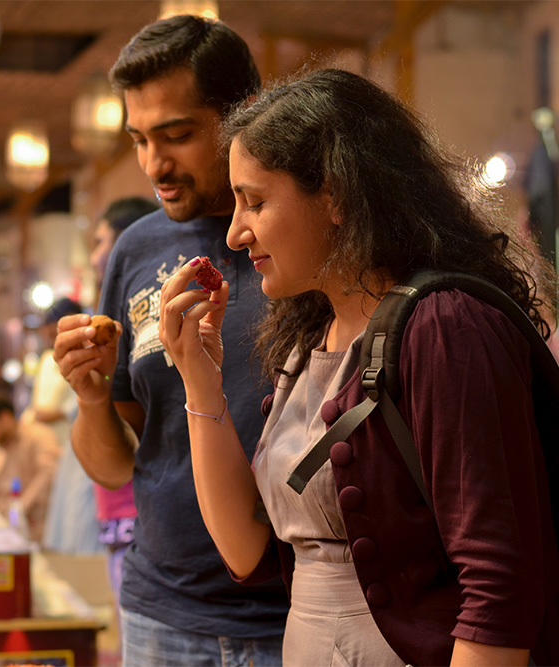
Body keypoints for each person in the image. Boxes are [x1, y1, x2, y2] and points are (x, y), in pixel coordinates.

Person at [157, 68, 559, 666]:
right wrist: (197, 375)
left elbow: (501, 582)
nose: (237, 234)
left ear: (338, 195)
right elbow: (247, 551)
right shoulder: (308, 338)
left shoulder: (445, 326)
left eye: (256, 201)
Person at [52, 14, 289, 666]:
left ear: (244, 115)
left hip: (293, 612)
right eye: (138, 139)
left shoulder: (298, 239)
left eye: (178, 135)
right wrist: (92, 395)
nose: (155, 163)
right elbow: (115, 463)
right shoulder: (137, 249)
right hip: (161, 609)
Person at [86, 196, 159, 608]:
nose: (96, 256)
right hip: (119, 493)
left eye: (100, 242)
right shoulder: (113, 311)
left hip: (138, 504)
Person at [29, 297, 103, 554]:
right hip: (51, 449)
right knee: (63, 511)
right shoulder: (47, 360)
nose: (48, 334)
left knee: (81, 512)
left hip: (77, 439)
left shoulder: (89, 351)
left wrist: (58, 413)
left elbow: (90, 390)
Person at [0, 395, 61, 544]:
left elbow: (47, 474)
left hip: (38, 531)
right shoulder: (3, 447)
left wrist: (20, 508)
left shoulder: (38, 436)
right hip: (7, 527)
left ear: (5, 418)